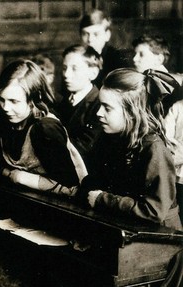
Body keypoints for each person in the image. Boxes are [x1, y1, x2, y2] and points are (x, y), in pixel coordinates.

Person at [81, 68, 182, 228]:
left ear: (132, 112)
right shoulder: (111, 137)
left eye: (107, 108)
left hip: (159, 237)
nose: (99, 113)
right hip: (127, 225)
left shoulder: (153, 148)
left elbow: (153, 211)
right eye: (100, 105)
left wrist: (103, 200)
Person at [0, 59, 87, 196]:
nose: (6, 108)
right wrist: (9, 174)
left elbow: (69, 185)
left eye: (14, 101)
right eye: (2, 100)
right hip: (24, 195)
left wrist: (23, 178)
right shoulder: (9, 116)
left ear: (34, 99)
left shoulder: (46, 128)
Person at [130, 34, 183, 223]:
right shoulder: (141, 83)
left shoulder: (169, 90)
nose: (135, 59)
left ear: (159, 58)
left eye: (141, 54)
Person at [55, 45, 103, 162]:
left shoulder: (100, 105)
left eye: (74, 68)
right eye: (65, 68)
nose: (66, 74)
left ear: (93, 73)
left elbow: (84, 148)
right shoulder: (64, 101)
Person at [79, 9, 130, 85]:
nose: (90, 39)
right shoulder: (75, 57)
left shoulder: (118, 58)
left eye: (96, 34)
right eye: (85, 34)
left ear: (107, 35)